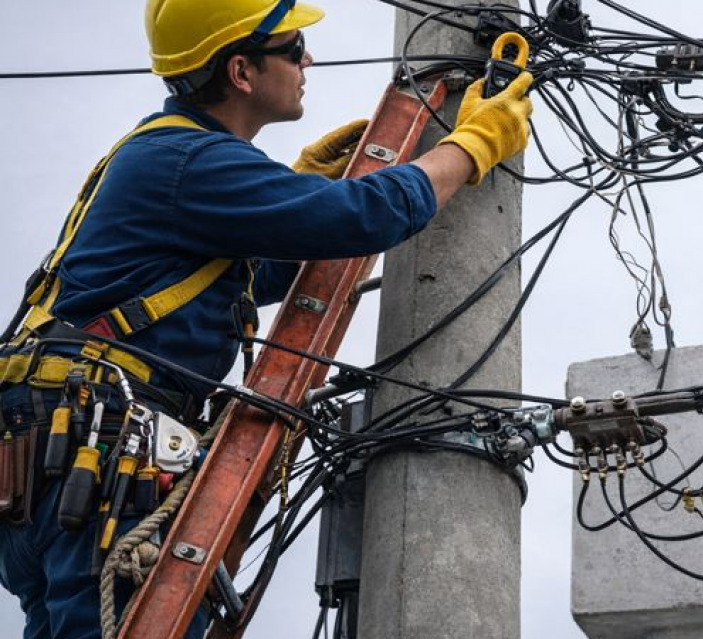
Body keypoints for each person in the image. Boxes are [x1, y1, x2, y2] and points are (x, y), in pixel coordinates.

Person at [0, 0, 534, 637]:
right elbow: (367, 216)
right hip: (95, 443)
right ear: (241, 72)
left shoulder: (166, 155)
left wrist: (303, 182)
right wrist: (470, 146)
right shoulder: (189, 161)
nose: (307, 59)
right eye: (292, 47)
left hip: (48, 453)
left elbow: (242, 285)